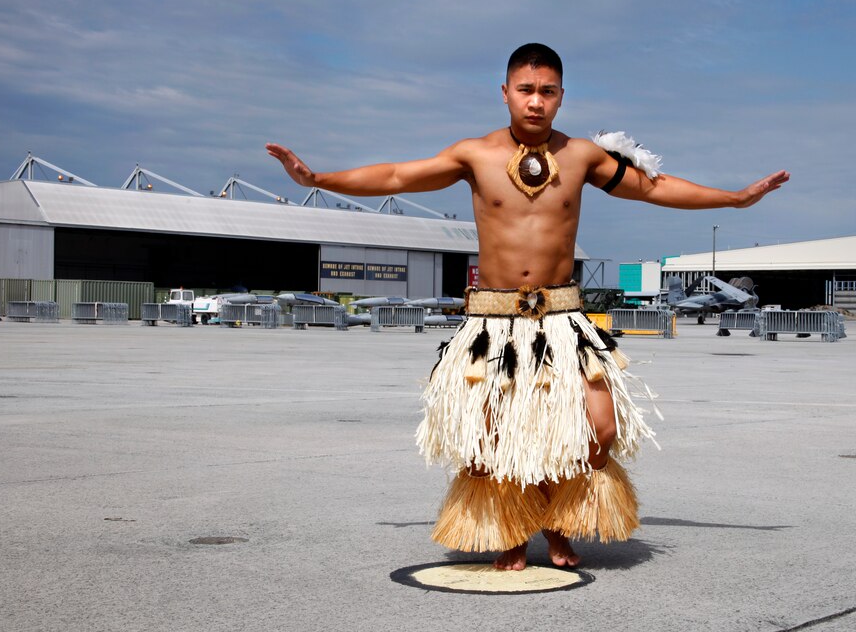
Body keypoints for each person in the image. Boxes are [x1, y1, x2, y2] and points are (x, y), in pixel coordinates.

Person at [268, 43, 788, 571]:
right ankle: (514, 533)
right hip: (493, 323)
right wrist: (318, 181)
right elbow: (399, 176)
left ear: (561, 97)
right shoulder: (475, 154)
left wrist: (734, 198)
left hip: (562, 319)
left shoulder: (581, 155)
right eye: (525, 91)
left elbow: (653, 189)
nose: (535, 102)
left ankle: (561, 518)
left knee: (598, 428)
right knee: (495, 438)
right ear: (505, 93)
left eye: (547, 92)